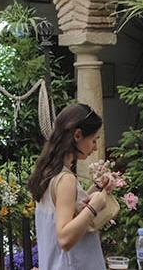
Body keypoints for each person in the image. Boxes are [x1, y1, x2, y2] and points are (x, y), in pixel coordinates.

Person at [27, 103, 113, 269]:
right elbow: (65, 238)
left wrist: (96, 189)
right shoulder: (66, 179)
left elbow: (65, 211)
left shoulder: (50, 173)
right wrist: (95, 206)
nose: (95, 148)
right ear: (78, 135)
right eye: (94, 140)